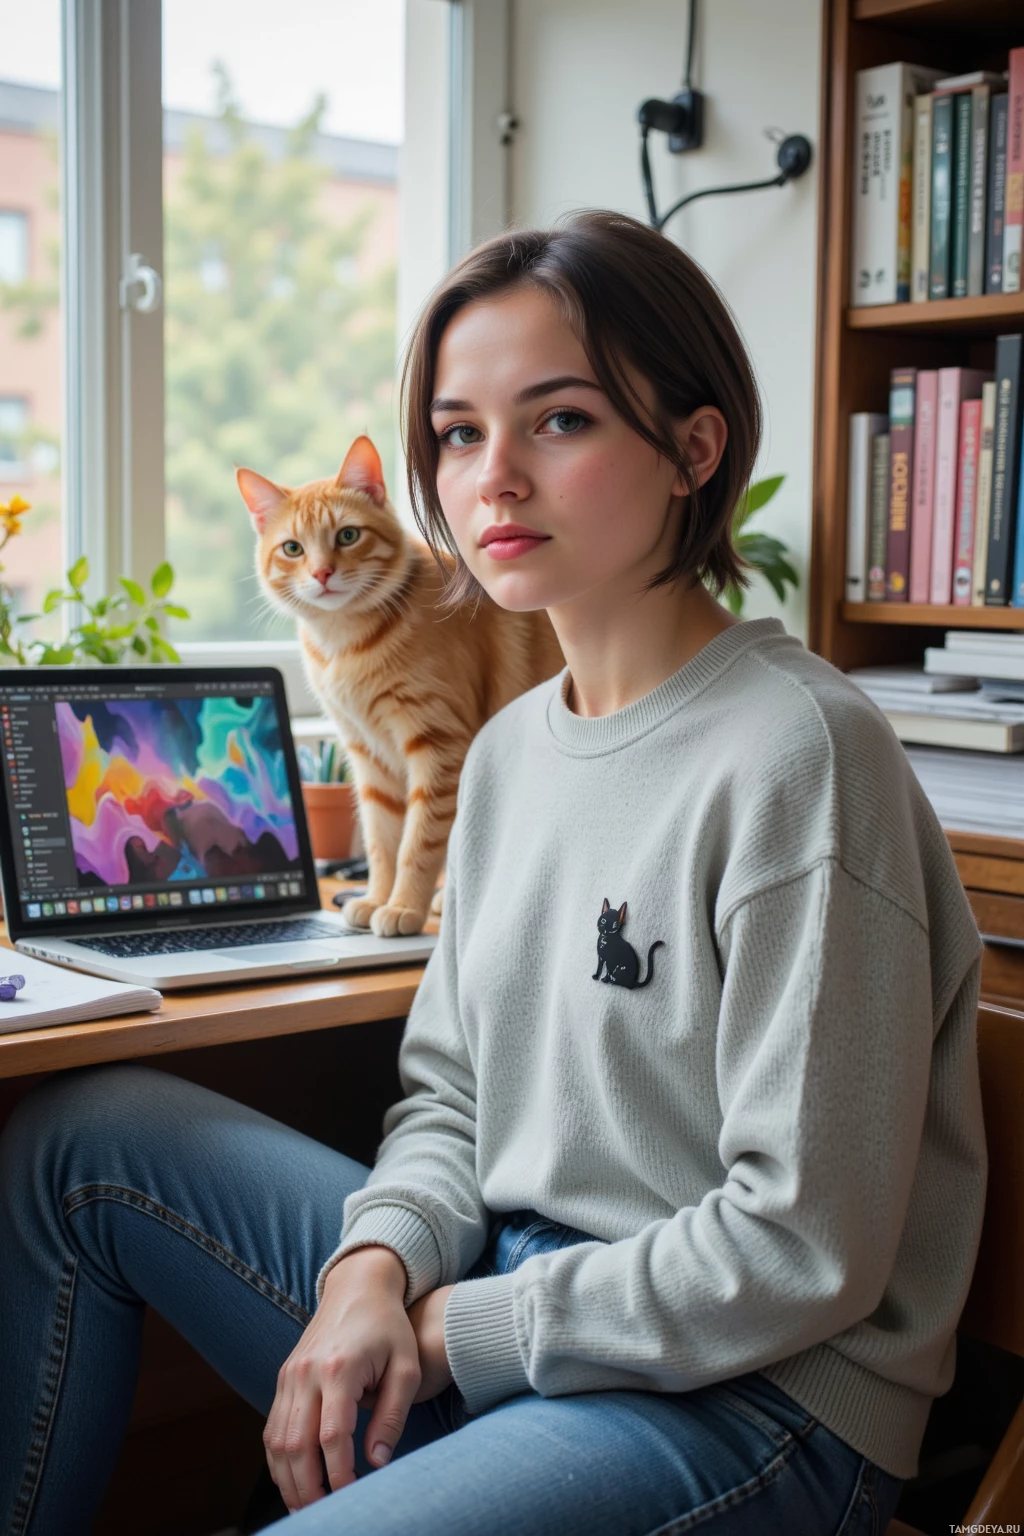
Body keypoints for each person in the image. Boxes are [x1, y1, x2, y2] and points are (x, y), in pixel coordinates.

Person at [0, 211, 986, 1536]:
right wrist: (370, 1266)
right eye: (460, 433)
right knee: (83, 1141)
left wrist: (458, 1324)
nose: (493, 478)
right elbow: (454, 1092)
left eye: (560, 420)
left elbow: (796, 1251)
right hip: (511, 1293)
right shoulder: (514, 749)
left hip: (752, 1398)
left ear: (697, 448)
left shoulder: (800, 757)